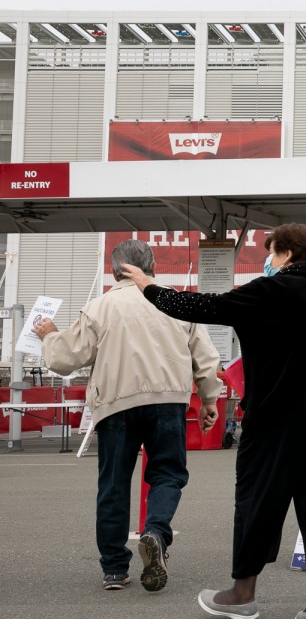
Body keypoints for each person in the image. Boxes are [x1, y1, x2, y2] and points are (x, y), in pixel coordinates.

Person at [122, 223, 306, 619]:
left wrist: (149, 286)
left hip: (282, 416)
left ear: (287, 255)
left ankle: (242, 595)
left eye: (271, 254)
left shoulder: (270, 291)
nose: (268, 262)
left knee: (260, 499)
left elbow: (203, 308)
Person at [33, 239, 221, 593]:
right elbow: (206, 359)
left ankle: (115, 569)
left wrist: (49, 335)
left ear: (114, 269)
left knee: (114, 482)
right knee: (167, 474)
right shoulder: (175, 301)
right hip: (168, 401)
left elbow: (65, 359)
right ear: (153, 265)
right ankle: (155, 532)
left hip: (116, 404)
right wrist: (209, 399)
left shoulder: (99, 307)